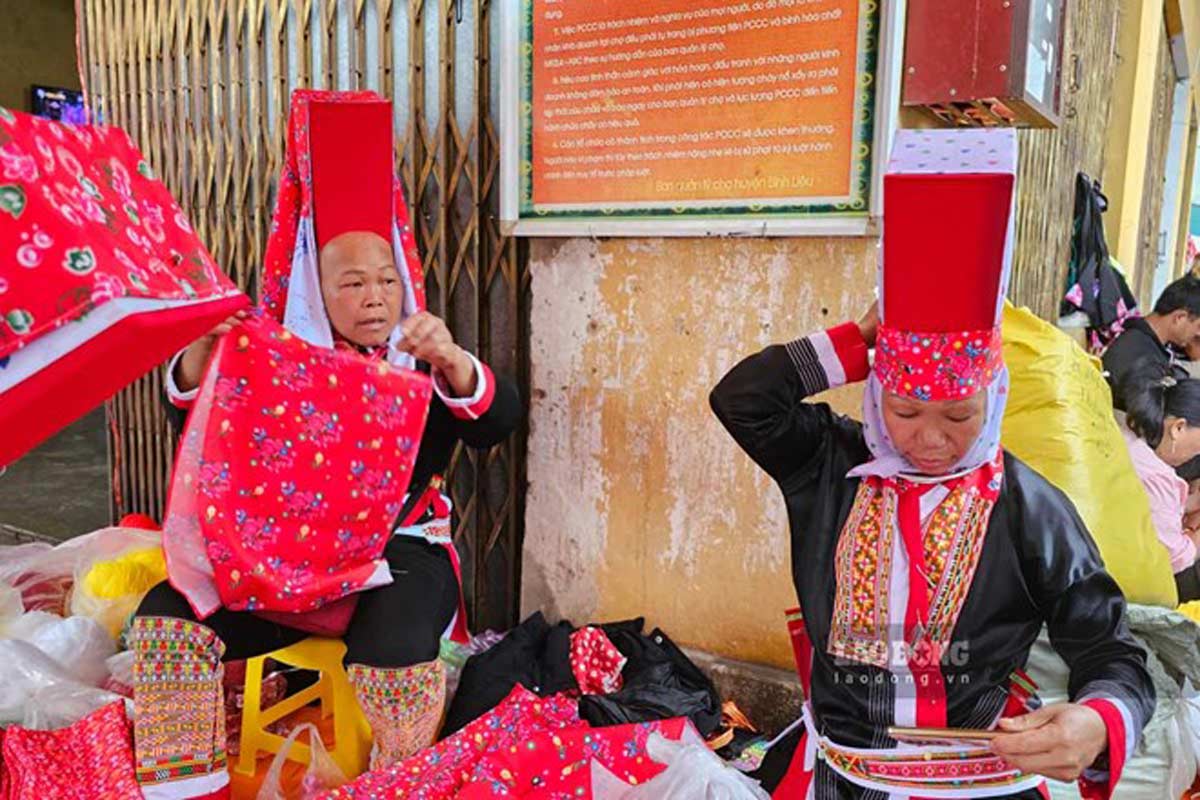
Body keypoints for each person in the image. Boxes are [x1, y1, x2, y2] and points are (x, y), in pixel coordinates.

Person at [710, 129, 1153, 799]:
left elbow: (1108, 649)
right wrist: (858, 341)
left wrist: (1099, 718)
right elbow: (742, 401)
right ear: (876, 392)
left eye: (958, 416)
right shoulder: (831, 463)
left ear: (995, 399)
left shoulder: (1029, 508)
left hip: (971, 784)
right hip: (839, 774)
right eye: (906, 411)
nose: (930, 441)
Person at [129, 91, 520, 800]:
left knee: (395, 652)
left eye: (386, 280)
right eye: (353, 283)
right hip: (280, 555)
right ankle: (190, 789)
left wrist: (455, 363)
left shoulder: (417, 359)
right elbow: (190, 415)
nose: (376, 297)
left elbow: (496, 424)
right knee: (165, 620)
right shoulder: (281, 361)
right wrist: (197, 357)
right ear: (318, 288)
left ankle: (399, 784)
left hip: (397, 553)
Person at [1118, 364, 1200, 602]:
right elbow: (1175, 559)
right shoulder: (1156, 477)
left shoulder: (1130, 435)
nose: (1196, 454)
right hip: (1153, 580)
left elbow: (1146, 509)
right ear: (1178, 427)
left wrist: (1190, 504)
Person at [1102, 274, 1200, 408]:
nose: (1198, 334)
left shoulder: (1141, 341)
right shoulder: (1142, 358)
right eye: (1199, 326)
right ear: (1179, 318)